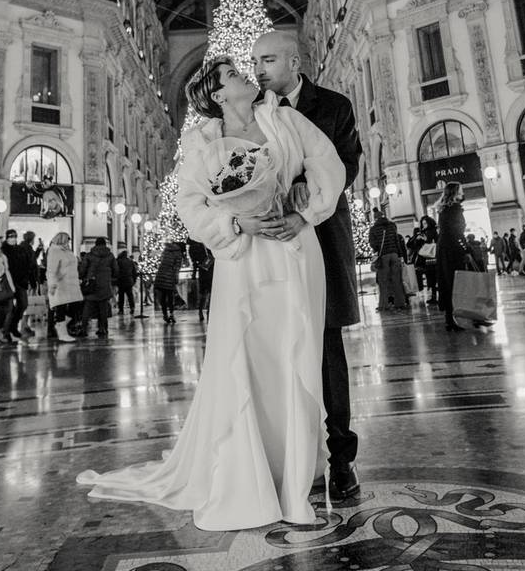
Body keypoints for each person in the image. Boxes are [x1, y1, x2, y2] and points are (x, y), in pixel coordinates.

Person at [78, 55, 345, 531]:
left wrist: (305, 214)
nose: (246, 74)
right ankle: (253, 473)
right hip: (242, 261)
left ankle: (294, 476)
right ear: (220, 95)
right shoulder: (203, 145)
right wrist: (235, 222)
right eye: (233, 74)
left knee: (296, 355)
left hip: (293, 250)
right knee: (249, 361)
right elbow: (189, 205)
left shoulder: (285, 119)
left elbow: (328, 164)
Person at [251, 31, 363, 500]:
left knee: (327, 350)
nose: (259, 68)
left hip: (323, 238)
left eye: (269, 59)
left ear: (294, 62)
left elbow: (348, 165)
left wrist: (304, 185)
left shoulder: (333, 105)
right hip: (274, 248)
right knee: (276, 353)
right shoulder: (253, 113)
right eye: (255, 60)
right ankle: (291, 458)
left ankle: (341, 460)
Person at [436, 182, 471, 331]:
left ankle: (450, 319)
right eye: (461, 190)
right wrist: (466, 249)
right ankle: (457, 318)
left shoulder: (443, 210)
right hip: (453, 250)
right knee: (456, 283)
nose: (463, 192)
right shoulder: (454, 209)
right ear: (455, 192)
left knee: (448, 283)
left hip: (444, 249)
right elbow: (457, 232)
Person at [368, 208, 408, 312]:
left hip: (383, 256)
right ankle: (400, 303)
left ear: (375, 218)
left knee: (383, 282)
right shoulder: (392, 225)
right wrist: (399, 255)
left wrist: (376, 250)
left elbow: (373, 244)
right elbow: (396, 240)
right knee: (397, 281)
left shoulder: (373, 229)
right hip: (394, 255)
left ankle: (384, 305)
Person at [45, 232, 83, 342]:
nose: (69, 242)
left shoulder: (67, 251)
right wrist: (52, 284)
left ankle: (60, 326)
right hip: (60, 284)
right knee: (60, 308)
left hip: (71, 284)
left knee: (76, 306)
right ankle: (62, 332)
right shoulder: (54, 251)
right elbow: (51, 270)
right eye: (67, 240)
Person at [79, 237, 117, 338]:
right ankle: (102, 328)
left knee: (87, 307)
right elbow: (116, 270)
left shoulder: (89, 255)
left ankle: (83, 329)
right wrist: (110, 278)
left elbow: (82, 269)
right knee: (103, 307)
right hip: (104, 284)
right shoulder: (110, 256)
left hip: (92, 283)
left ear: (95, 244)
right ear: (105, 244)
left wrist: (83, 277)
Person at [1, 229, 35, 339]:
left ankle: (13, 326)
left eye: (14, 236)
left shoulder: (20, 249)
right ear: (7, 237)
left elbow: (28, 264)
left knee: (23, 304)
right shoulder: (3, 250)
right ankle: (6, 331)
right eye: (10, 236)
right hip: (8, 283)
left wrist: (30, 280)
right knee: (9, 308)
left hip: (21, 282)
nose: (13, 238)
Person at [0, 239, 15, 344]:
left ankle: (1, 332)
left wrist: (12, 286)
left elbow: (7, 271)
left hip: (3, 285)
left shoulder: (3, 256)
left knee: (8, 310)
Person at [154, 241, 184, 324]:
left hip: (160, 275)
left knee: (162, 298)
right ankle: (171, 314)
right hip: (169, 277)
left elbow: (161, 261)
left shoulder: (166, 250)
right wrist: (176, 278)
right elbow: (176, 268)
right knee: (170, 297)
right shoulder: (178, 253)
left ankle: (165, 315)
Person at [115, 249, 138, 316]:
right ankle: (132, 307)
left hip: (121, 280)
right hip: (129, 280)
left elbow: (116, 271)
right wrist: (133, 280)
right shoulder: (130, 262)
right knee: (130, 295)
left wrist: (116, 280)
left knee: (121, 296)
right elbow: (134, 272)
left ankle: (121, 310)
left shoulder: (118, 261)